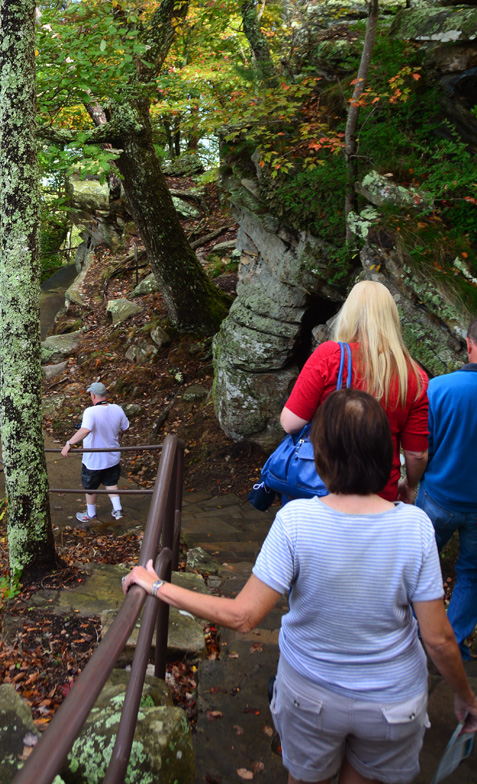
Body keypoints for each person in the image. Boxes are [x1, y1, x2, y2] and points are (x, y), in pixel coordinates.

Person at [124, 389, 477, 784]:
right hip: (391, 703)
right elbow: (440, 639)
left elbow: (243, 616)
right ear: (386, 453)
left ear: (321, 453)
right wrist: (464, 695)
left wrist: (156, 586)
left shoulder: (296, 521)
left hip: (311, 695)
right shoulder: (414, 526)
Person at [280, 280, 428, 502]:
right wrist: (409, 484)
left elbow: (290, 423)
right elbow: (416, 453)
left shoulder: (330, 356)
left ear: (348, 313)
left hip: (321, 487)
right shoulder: (414, 376)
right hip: (380, 493)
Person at [417, 316, 477, 662]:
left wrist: (412, 482)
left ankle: (414, 636)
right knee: (472, 573)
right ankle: (452, 646)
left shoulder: (440, 388)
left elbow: (423, 448)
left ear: (468, 343)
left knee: (419, 565)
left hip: (439, 497)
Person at [61, 381, 129, 524]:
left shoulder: (90, 411)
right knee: (110, 482)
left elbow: (85, 430)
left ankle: (91, 514)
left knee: (90, 487)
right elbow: (125, 427)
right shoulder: (117, 409)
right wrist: (120, 434)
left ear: (93, 395)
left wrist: (69, 443)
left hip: (94, 459)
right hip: (112, 456)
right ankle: (118, 509)